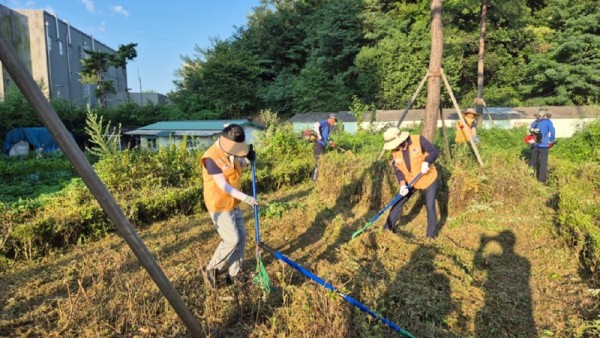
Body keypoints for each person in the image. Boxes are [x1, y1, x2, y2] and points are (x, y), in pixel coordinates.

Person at [201, 124, 258, 288]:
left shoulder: (233, 151)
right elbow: (223, 185)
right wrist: (246, 198)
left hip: (233, 202)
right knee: (232, 239)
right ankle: (211, 269)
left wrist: (247, 159)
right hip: (219, 204)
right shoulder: (211, 157)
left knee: (241, 237)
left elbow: (238, 166)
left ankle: (234, 274)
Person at [382, 127, 440, 238]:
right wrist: (403, 184)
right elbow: (398, 170)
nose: (395, 147)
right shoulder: (395, 151)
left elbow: (434, 151)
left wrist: (426, 162)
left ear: (401, 140)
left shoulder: (418, 140)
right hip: (411, 181)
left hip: (427, 178)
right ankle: (387, 229)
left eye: (396, 144)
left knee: (430, 205)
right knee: (398, 202)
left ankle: (431, 236)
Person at [527, 110, 555, 183]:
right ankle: (541, 181)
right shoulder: (548, 122)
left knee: (533, 162)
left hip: (534, 145)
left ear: (538, 115)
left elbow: (531, 133)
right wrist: (551, 140)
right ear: (545, 115)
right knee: (543, 163)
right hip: (544, 145)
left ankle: (531, 178)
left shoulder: (534, 122)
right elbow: (552, 132)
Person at [310, 113, 337, 181]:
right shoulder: (325, 123)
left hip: (322, 146)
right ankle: (314, 179)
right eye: (334, 120)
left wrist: (331, 143)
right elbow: (316, 124)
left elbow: (326, 138)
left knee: (322, 161)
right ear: (330, 119)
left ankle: (317, 177)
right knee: (319, 162)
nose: (334, 122)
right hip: (318, 145)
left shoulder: (328, 126)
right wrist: (318, 135)